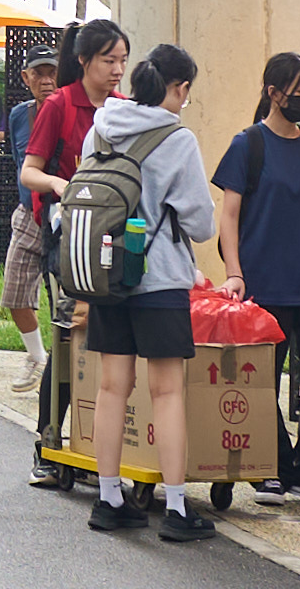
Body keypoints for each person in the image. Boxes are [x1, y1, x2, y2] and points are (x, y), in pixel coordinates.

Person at [79, 42, 220, 544]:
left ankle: (109, 497)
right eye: (188, 92)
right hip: (157, 278)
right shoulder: (176, 137)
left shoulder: (102, 125)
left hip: (106, 275)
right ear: (178, 88)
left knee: (111, 387)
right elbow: (201, 224)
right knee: (166, 391)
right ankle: (177, 508)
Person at [214, 49, 300, 508]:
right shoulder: (248, 145)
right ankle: (269, 467)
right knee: (261, 381)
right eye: (299, 92)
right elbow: (229, 214)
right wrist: (234, 272)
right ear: (274, 94)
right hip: (265, 285)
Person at [12, 19, 128, 394]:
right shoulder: (59, 105)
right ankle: (51, 430)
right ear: (83, 60)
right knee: (71, 324)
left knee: (112, 326)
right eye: (109, 60)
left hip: (119, 236)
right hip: (69, 234)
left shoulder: (125, 109)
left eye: (123, 60)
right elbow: (30, 172)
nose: (118, 70)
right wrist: (59, 184)